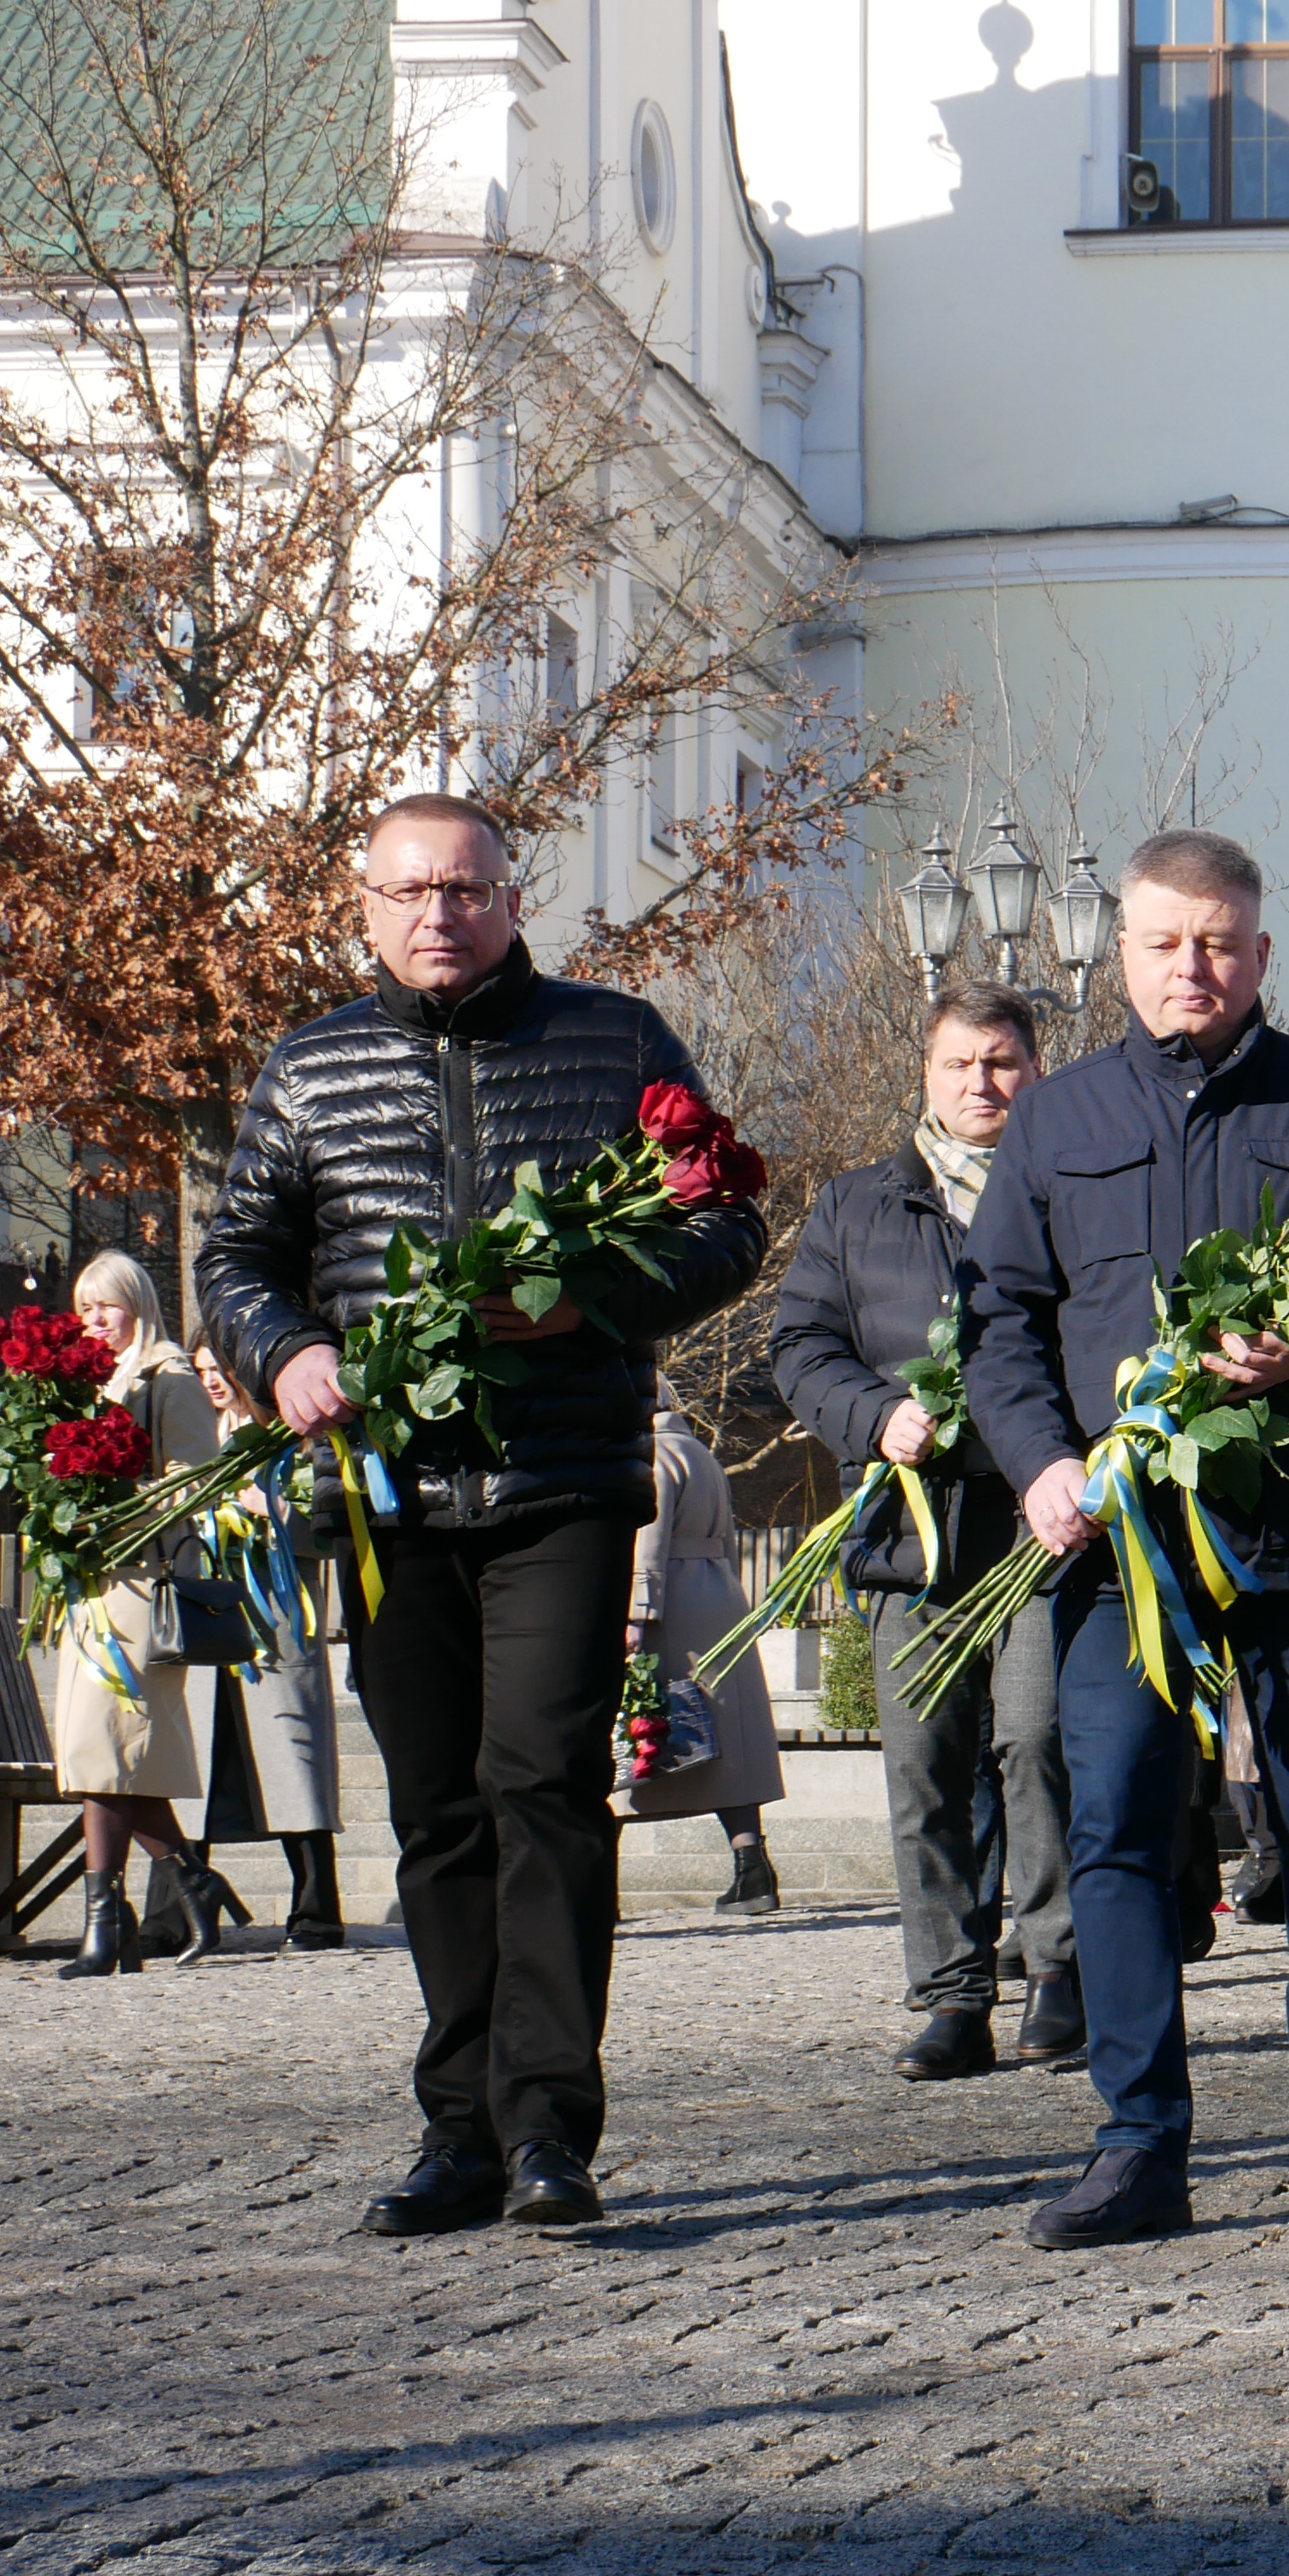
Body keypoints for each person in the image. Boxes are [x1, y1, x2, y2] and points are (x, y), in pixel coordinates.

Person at [195, 792, 766, 2235]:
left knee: (544, 1784)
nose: (437, 913)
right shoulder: (310, 1068)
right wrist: (286, 1350)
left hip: (559, 1481)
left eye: (465, 887)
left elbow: (724, 1227)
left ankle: (550, 2128)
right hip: (383, 1502)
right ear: (365, 905)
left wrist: (597, 1299)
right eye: (410, 891)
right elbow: (237, 1255)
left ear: (513, 897)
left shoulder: (618, 1038)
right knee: (438, 1807)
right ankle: (459, 2126)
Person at [963, 827, 1289, 2243]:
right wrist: (1040, 1460)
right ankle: (1140, 2142)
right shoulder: (1057, 1119)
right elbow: (999, 1319)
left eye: (1222, 941)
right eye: (1166, 942)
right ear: (1124, 951)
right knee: (1115, 1817)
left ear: (1259, 951)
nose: (1195, 966)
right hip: (1122, 1546)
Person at [768, 976, 1074, 2081]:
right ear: (927, 1076)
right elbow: (799, 1347)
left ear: (1034, 1070)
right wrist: (874, 1414)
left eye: (1002, 1062)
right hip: (914, 1529)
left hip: (1045, 1521)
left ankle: (1057, 1968)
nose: (981, 1082)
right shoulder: (858, 1205)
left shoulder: (1066, 1189)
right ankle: (952, 1992)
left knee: (1038, 1740)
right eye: (960, 1064)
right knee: (928, 1766)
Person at [46, 1253, 226, 1977]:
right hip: (92, 1581)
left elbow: (195, 1478)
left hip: (141, 1581)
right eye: (84, 1307)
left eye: (106, 1306)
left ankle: (111, 1923)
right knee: (103, 1756)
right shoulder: (86, 1383)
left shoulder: (168, 1376)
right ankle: (182, 1885)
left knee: (107, 1749)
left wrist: (116, 1508)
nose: (93, 1320)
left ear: (137, 1305)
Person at [186, 1340, 344, 1951]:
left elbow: (329, 1530)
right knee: (199, 1759)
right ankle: (176, 1908)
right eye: (201, 1373)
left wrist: (269, 1508)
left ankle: (315, 1908)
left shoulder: (289, 1434)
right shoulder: (200, 1436)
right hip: (211, 1620)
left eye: (218, 1371)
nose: (211, 1383)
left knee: (292, 1759)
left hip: (275, 1621)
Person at [616, 1381, 789, 1888]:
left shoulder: (651, 1456)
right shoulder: (700, 1453)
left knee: (634, 1733)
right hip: (718, 1596)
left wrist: (637, 1613)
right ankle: (752, 1867)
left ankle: (599, 1884)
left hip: (673, 1605)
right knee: (730, 1744)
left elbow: (648, 1539)